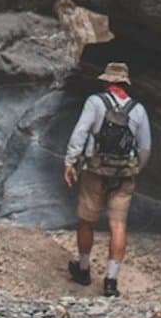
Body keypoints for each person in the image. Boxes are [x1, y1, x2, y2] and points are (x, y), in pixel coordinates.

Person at [63, 61, 151, 297]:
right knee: (118, 225)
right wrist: (135, 169)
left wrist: (70, 161)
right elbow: (145, 147)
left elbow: (81, 132)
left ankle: (83, 269)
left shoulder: (95, 102)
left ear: (107, 81)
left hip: (95, 170)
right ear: (125, 83)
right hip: (124, 175)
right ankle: (111, 280)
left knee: (86, 221)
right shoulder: (138, 109)